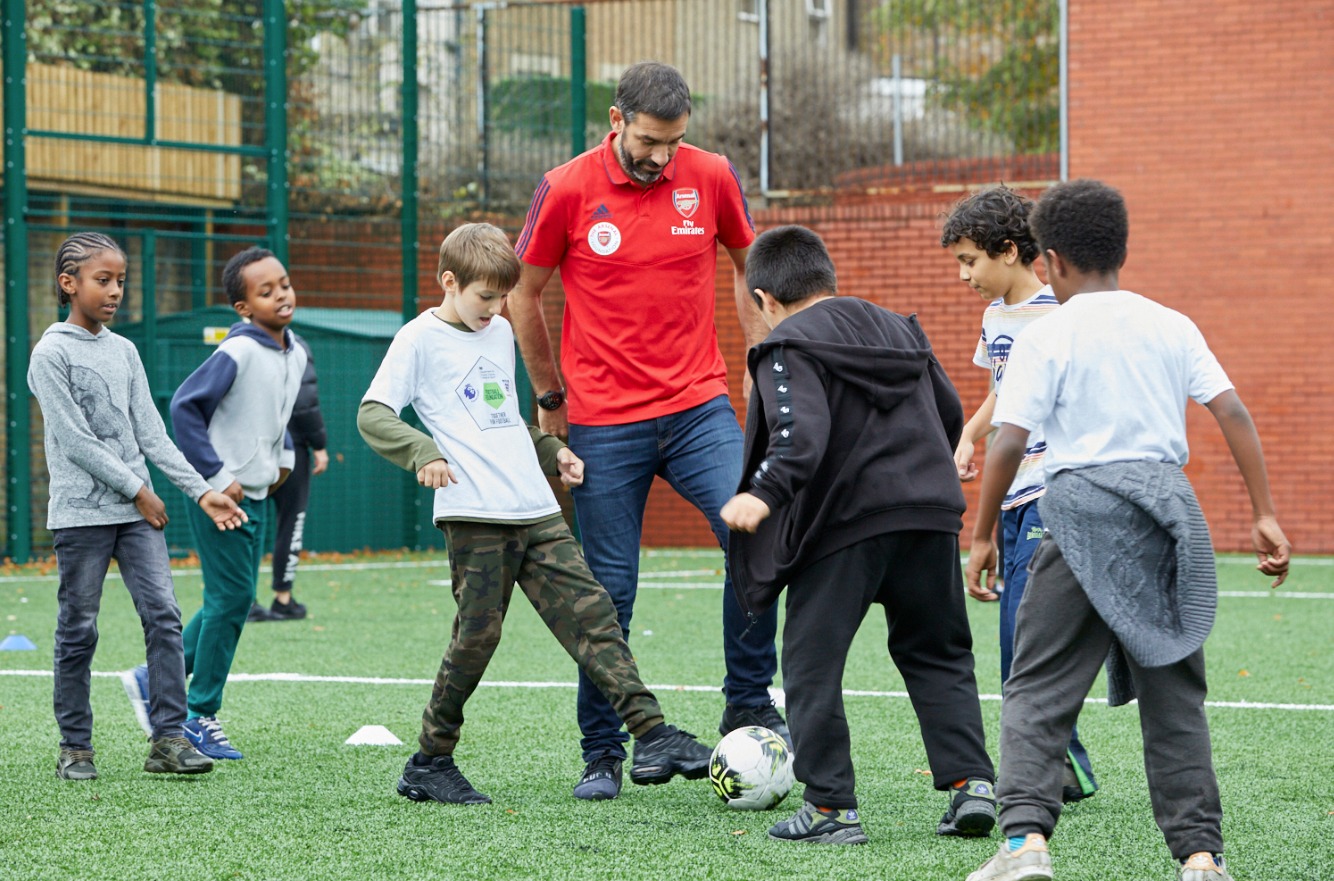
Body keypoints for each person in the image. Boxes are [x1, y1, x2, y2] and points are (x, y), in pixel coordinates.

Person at [963, 180, 1290, 881]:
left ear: (1048, 260)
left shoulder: (1047, 333)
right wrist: (1262, 512)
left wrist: (983, 533)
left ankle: (1025, 845)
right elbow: (1232, 412)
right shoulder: (1172, 324)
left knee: (1038, 685)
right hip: (1167, 509)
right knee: (1175, 697)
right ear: (1122, 249)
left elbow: (1008, 440)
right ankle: (1202, 856)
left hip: (1080, 509)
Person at [357, 223, 713, 805]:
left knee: (595, 613)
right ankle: (430, 760)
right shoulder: (417, 339)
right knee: (478, 637)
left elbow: (501, 418)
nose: (496, 309)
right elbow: (373, 414)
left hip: (535, 507)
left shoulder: (497, 333)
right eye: (485, 297)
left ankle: (653, 735)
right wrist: (424, 451)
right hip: (475, 514)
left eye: (502, 298)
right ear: (450, 282)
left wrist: (552, 452)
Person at [510, 60, 785, 802]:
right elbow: (522, 293)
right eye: (648, 141)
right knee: (611, 589)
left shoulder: (714, 175)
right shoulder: (566, 187)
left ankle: (749, 700)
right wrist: (548, 397)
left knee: (755, 534)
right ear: (616, 118)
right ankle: (603, 749)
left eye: (673, 143)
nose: (661, 157)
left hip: (698, 408)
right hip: (603, 420)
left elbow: (745, 265)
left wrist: (759, 356)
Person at [722, 225, 997, 845]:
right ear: (828, 278)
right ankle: (971, 785)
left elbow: (800, 437)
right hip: (929, 514)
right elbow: (950, 411)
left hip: (845, 525)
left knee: (810, 663)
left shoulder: (784, 343)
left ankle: (830, 810)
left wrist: (758, 494)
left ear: (765, 299)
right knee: (938, 653)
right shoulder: (899, 329)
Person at [28, 231, 245, 781]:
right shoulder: (50, 354)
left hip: (135, 516)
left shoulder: (125, 351)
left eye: (121, 280)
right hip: (82, 516)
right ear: (68, 283)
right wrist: (139, 491)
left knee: (165, 617)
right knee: (79, 628)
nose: (115, 290)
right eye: (104, 280)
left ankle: (168, 740)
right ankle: (76, 748)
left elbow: (152, 434)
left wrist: (201, 490)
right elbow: (76, 441)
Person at [941, 185, 1098, 804]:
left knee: (1023, 640)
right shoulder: (995, 318)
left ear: (1008, 251)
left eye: (969, 261)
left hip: (1049, 495)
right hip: (1008, 498)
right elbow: (1004, 393)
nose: (963, 276)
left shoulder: (1062, 315)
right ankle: (1064, 762)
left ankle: (1059, 764)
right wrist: (969, 434)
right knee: (1021, 642)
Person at [161, 246, 307, 761]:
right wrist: (217, 477)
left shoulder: (296, 351)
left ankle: (160, 679)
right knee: (231, 598)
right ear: (243, 308)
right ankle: (197, 713)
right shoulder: (237, 351)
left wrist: (284, 455)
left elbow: (277, 414)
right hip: (222, 499)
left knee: (234, 598)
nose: (281, 295)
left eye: (283, 284)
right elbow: (185, 406)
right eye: (265, 292)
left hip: (261, 493)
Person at [249, 331, 328, 623]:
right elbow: (306, 401)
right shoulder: (296, 345)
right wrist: (319, 445)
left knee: (247, 520)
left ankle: (245, 599)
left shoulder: (235, 345)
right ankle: (283, 598)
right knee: (290, 519)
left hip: (250, 447)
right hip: (289, 446)